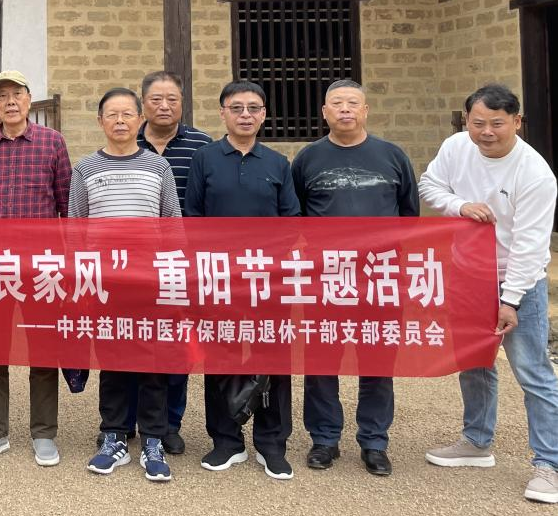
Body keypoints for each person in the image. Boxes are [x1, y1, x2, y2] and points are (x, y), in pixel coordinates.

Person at [418, 83, 558, 504]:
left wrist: (510, 300)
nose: (486, 132)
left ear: (517, 122)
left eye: (497, 123)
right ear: (466, 120)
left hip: (518, 281)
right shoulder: (456, 147)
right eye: (477, 122)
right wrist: (459, 205)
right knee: (474, 362)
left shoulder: (534, 173)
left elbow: (530, 245)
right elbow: (429, 186)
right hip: (467, 276)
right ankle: (476, 441)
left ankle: (549, 463)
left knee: (532, 371)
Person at [291, 79, 418, 477]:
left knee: (377, 360)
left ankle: (374, 441)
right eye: (337, 103)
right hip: (326, 277)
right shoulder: (308, 158)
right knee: (321, 360)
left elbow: (409, 215)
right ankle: (324, 438)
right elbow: (295, 216)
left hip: (380, 277)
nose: (345, 109)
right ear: (324, 112)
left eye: (352, 103)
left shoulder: (392, 156)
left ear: (365, 110)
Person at [185, 81, 300, 480]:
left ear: (264, 114)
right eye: (237, 108)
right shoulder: (205, 159)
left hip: (267, 278)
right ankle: (226, 440)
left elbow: (291, 221)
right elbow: (193, 218)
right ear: (223, 113)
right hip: (220, 277)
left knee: (272, 359)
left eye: (253, 108)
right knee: (221, 357)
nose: (245, 115)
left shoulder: (278, 163)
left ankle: (272, 443)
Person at [69, 87, 180, 481]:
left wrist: (171, 278)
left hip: (150, 281)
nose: (119, 121)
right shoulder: (84, 169)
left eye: (127, 114)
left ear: (140, 120)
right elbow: (76, 230)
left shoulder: (158, 167)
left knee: (153, 362)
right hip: (106, 284)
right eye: (112, 115)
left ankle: (153, 440)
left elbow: (173, 226)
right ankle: (113, 436)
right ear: (100, 121)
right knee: (113, 361)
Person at [0, 70, 71, 467]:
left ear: (29, 99)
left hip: (41, 267)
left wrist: (66, 260)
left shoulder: (52, 142)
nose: (10, 101)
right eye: (2, 96)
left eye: (17, 94)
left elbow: (66, 203)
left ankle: (44, 433)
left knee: (42, 349)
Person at [133, 70, 212, 455]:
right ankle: (127, 420)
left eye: (172, 99)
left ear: (183, 103)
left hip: (182, 263)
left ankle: (169, 423)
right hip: (133, 265)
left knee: (176, 343)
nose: (164, 106)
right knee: (130, 340)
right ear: (143, 103)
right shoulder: (127, 141)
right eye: (156, 99)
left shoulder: (203, 146)